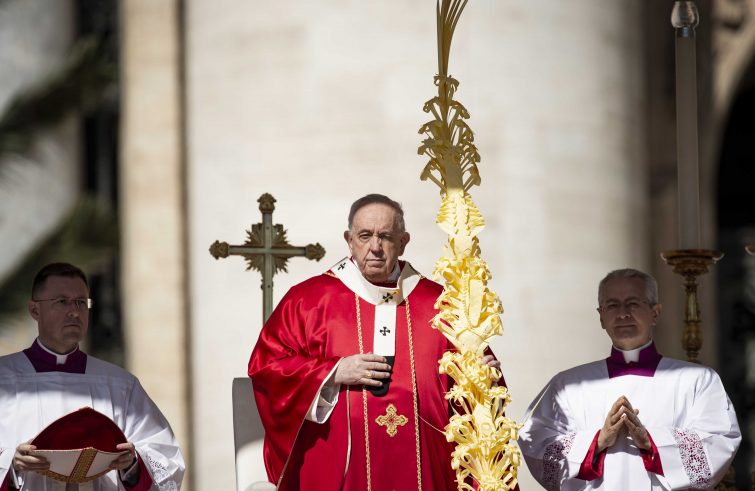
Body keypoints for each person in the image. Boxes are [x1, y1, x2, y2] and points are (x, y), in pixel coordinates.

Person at [248, 194, 501, 490]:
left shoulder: (443, 304)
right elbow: (267, 368)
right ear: (349, 239)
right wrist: (333, 372)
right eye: (365, 236)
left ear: (404, 241)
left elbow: (478, 390)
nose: (375, 247)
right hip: (339, 469)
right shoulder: (309, 300)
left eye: (386, 237)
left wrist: (481, 381)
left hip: (428, 467)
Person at [518, 268, 741, 490]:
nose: (623, 314)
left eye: (633, 303)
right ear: (601, 316)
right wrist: (597, 441)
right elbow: (536, 444)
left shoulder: (697, 380)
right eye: (613, 306)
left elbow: (719, 442)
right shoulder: (567, 385)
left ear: (655, 313)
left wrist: (651, 442)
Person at [0, 263, 185, 491]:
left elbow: (166, 457)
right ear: (35, 310)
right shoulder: (4, 379)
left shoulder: (120, 385)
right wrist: (12, 464)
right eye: (62, 301)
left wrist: (133, 464)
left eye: (81, 302)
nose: (74, 312)